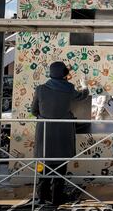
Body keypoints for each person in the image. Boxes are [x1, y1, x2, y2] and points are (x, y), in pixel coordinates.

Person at [31, 61, 89, 205]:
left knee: (43, 165)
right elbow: (82, 97)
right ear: (63, 74)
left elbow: (33, 111)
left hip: (44, 132)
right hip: (63, 132)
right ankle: (56, 197)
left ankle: (42, 196)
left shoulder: (40, 89)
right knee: (60, 166)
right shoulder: (69, 88)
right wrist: (85, 85)